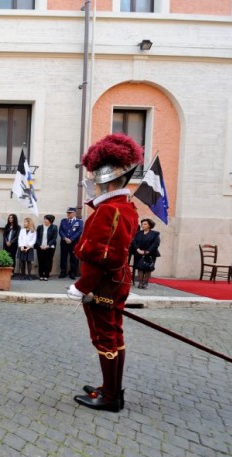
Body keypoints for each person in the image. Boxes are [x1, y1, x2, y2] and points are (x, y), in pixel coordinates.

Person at [66, 133, 143, 413]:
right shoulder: (123, 206)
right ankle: (112, 388)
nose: (91, 186)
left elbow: (101, 256)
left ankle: (110, 397)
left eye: (94, 181)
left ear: (107, 182)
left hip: (103, 285)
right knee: (114, 334)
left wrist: (81, 287)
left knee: (104, 337)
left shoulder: (109, 210)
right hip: (114, 282)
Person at [131, 218, 161, 289]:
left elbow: (156, 244)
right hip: (139, 253)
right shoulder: (138, 233)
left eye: (145, 224)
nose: (143, 225)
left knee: (148, 268)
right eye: (142, 224)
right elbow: (134, 242)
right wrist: (138, 249)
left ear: (150, 225)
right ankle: (140, 283)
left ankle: (145, 283)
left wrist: (147, 251)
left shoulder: (155, 234)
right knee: (140, 267)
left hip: (150, 253)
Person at [59, 207, 84, 279]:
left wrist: (71, 239)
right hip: (64, 242)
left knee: (73, 258)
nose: (68, 214)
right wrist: (64, 238)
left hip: (74, 243)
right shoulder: (63, 221)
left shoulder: (79, 222)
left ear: (74, 213)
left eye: (69, 213)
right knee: (63, 258)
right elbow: (60, 231)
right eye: (67, 213)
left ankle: (72, 272)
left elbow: (79, 232)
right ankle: (63, 272)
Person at [35, 214, 58, 281]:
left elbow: (54, 238)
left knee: (48, 261)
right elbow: (37, 238)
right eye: (45, 219)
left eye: (47, 219)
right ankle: (41, 275)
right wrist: (40, 245)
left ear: (50, 220)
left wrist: (48, 245)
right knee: (41, 261)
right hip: (40, 247)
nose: (45, 220)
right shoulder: (40, 227)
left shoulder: (54, 227)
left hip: (50, 247)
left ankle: (46, 275)